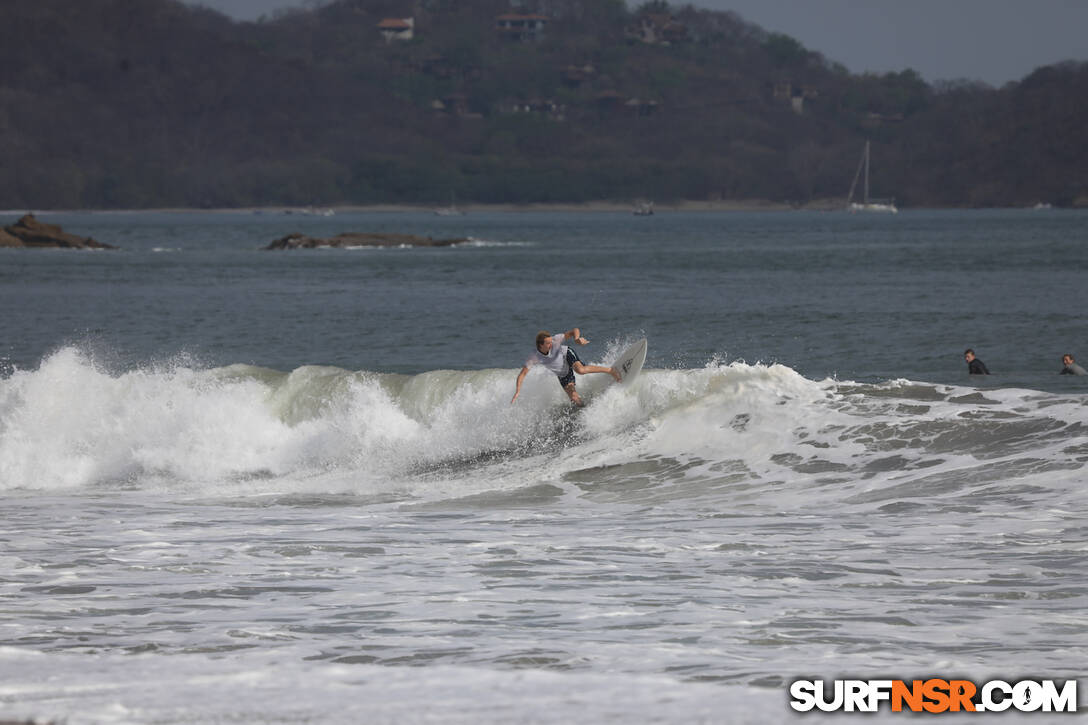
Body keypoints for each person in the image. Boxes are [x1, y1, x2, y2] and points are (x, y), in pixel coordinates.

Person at [512, 327, 621, 407]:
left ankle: (611, 370)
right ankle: (586, 407)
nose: (551, 343)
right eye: (548, 343)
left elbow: (574, 330)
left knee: (580, 370)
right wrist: (517, 390)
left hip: (567, 355)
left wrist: (577, 339)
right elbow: (522, 374)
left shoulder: (555, 339)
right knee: (574, 399)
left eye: (551, 341)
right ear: (541, 345)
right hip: (562, 372)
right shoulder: (534, 356)